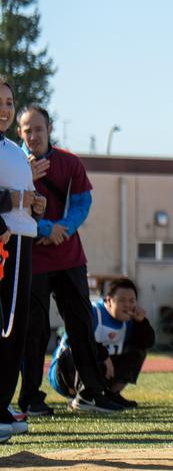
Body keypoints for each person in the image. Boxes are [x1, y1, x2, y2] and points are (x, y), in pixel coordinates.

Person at [15, 105, 123, 415]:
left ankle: (91, 391)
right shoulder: (12, 163)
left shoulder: (70, 163)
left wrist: (65, 229)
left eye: (39, 129)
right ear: (19, 133)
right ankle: (31, 398)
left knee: (81, 324)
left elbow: (83, 201)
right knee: (33, 331)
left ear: (49, 129)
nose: (33, 135)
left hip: (69, 257)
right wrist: (47, 228)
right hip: (30, 258)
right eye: (27, 130)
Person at [0, 78, 46, 442]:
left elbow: (24, 197)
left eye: (9, 102)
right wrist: (8, 208)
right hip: (5, 239)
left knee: (16, 326)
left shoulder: (13, 150)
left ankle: (3, 402)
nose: (4, 108)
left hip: (23, 238)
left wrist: (34, 203)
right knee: (6, 325)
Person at [49, 278, 155, 408]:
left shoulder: (130, 320)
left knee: (139, 350)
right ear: (109, 300)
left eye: (132, 301)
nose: (128, 305)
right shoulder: (92, 312)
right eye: (122, 300)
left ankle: (112, 394)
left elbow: (147, 343)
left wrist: (142, 323)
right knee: (77, 351)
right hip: (65, 372)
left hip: (99, 371)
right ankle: (81, 396)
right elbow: (74, 340)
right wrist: (103, 355)